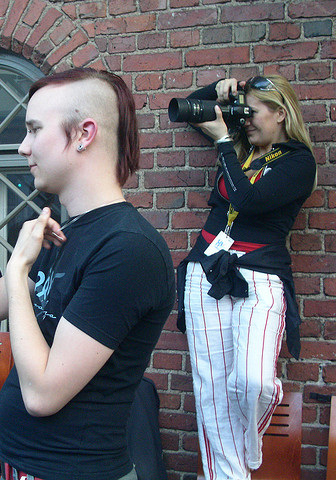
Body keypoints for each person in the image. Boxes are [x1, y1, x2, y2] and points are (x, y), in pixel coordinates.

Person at [0, 68, 176, 480]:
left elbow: (42, 394)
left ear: (84, 135)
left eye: (35, 129)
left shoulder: (128, 249)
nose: (23, 147)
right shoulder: (66, 234)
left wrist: (18, 270)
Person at [176, 75, 316, 479]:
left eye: (253, 112)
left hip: (261, 278)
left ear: (281, 113)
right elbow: (190, 108)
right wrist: (219, 90)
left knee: (254, 382)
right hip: (207, 273)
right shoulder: (240, 148)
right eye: (243, 113)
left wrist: (224, 141)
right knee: (211, 389)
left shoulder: (298, 162)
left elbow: (248, 200)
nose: (245, 120)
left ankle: (242, 452)